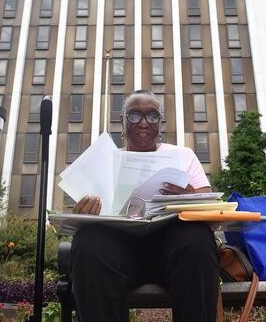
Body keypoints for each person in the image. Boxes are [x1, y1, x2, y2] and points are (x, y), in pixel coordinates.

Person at [71, 90, 220, 322]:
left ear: (160, 122)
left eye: (152, 116)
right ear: (122, 120)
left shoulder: (182, 156)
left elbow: (212, 215)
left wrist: (189, 195)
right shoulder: (104, 162)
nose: (143, 123)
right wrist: (84, 212)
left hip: (176, 252)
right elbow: (81, 216)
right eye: (134, 116)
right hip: (119, 254)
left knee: (197, 238)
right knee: (88, 241)